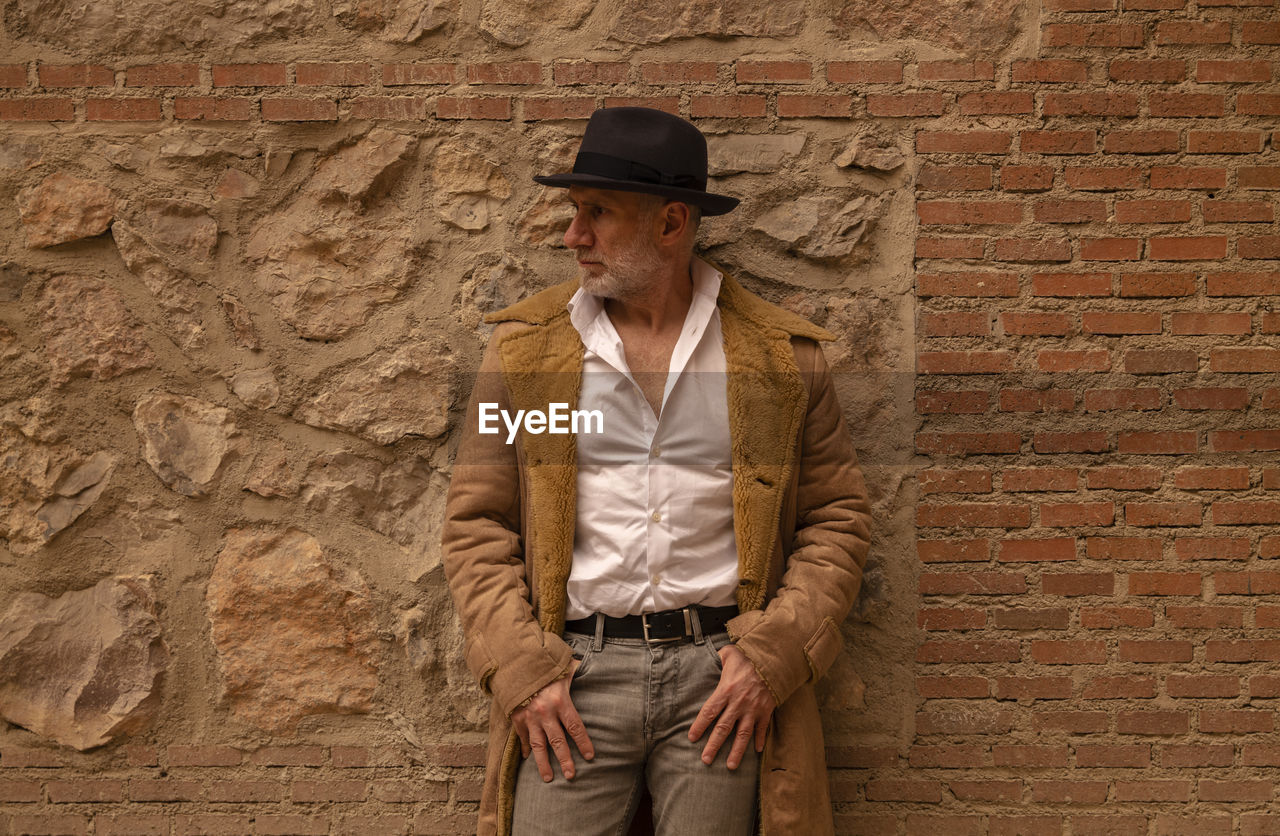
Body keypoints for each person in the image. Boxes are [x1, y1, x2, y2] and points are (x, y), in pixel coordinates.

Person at [442, 106, 872, 836]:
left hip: (722, 684)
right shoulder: (528, 355)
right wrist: (520, 669)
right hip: (572, 680)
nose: (574, 235)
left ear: (672, 224)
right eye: (575, 211)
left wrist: (772, 658)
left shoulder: (777, 359)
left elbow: (838, 519)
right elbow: (477, 522)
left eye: (598, 213)